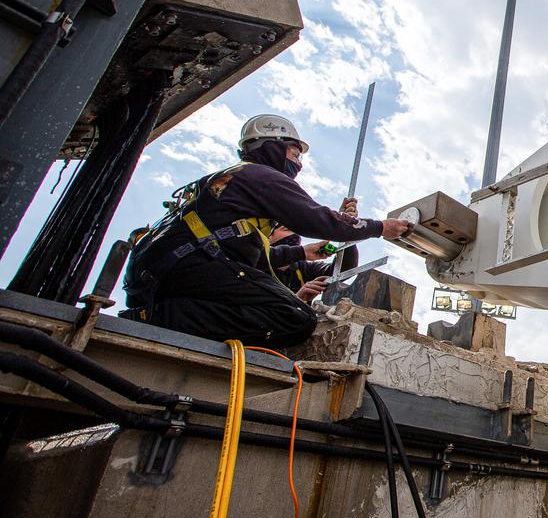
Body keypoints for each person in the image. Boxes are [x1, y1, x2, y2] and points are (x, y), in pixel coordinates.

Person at [121, 114, 412, 348]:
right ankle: (160, 318)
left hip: (164, 272)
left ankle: (167, 316)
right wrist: (380, 227)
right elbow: (316, 219)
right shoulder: (260, 176)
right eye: (295, 153)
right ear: (273, 145)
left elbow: (265, 259)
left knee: (275, 305)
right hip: (186, 266)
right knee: (294, 316)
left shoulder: (234, 184)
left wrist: (327, 241)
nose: (298, 163)